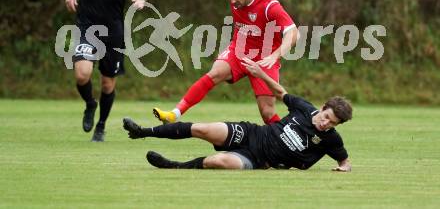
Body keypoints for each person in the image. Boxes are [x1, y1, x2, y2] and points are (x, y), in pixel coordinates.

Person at [124, 58, 352, 171]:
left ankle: (174, 166)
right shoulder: (304, 108)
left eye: (332, 123)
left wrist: (343, 168)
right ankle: (142, 131)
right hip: (252, 134)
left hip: (260, 160)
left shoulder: (331, 139)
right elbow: (281, 92)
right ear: (323, 108)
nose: (325, 124)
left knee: (218, 161)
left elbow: (345, 160)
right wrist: (260, 74)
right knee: (202, 129)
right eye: (326, 117)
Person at [153, 0, 298, 125]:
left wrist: (275, 55)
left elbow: (294, 34)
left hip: (265, 58)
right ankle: (174, 114)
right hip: (239, 51)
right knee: (215, 73)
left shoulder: (269, 5)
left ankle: (285, 141)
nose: (232, 0)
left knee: (267, 112)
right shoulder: (236, 0)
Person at [65, 0, 147, 142]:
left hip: (114, 30)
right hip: (87, 27)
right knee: (82, 75)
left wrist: (140, 1)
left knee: (108, 83)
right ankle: (90, 104)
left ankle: (100, 126)